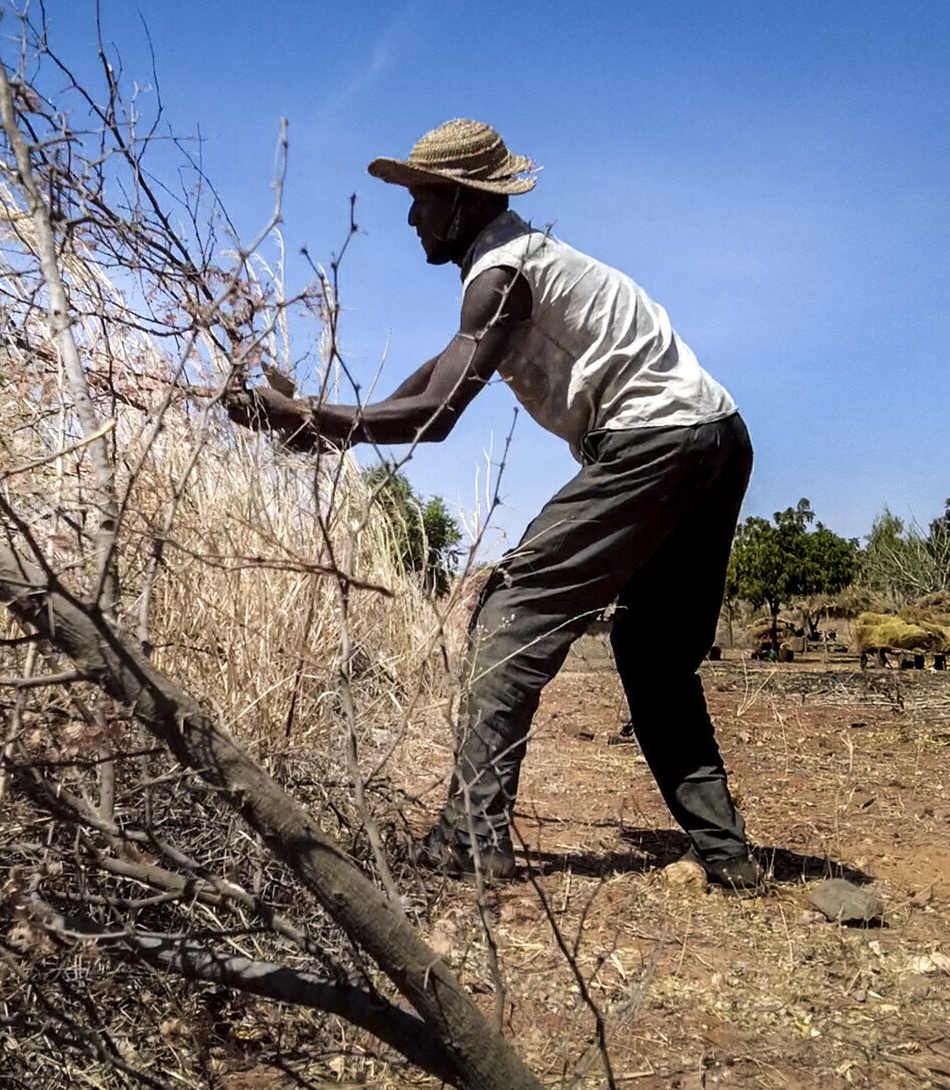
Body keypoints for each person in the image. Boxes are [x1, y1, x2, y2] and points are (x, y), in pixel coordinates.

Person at [225, 118, 763, 891]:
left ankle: (472, 839)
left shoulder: (503, 275)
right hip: (716, 438)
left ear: (465, 202)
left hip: (654, 444)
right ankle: (728, 856)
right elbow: (424, 384)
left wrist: (311, 420)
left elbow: (433, 419)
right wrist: (321, 420)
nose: (410, 218)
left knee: (509, 617)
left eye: (421, 199)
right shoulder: (516, 271)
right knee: (652, 656)